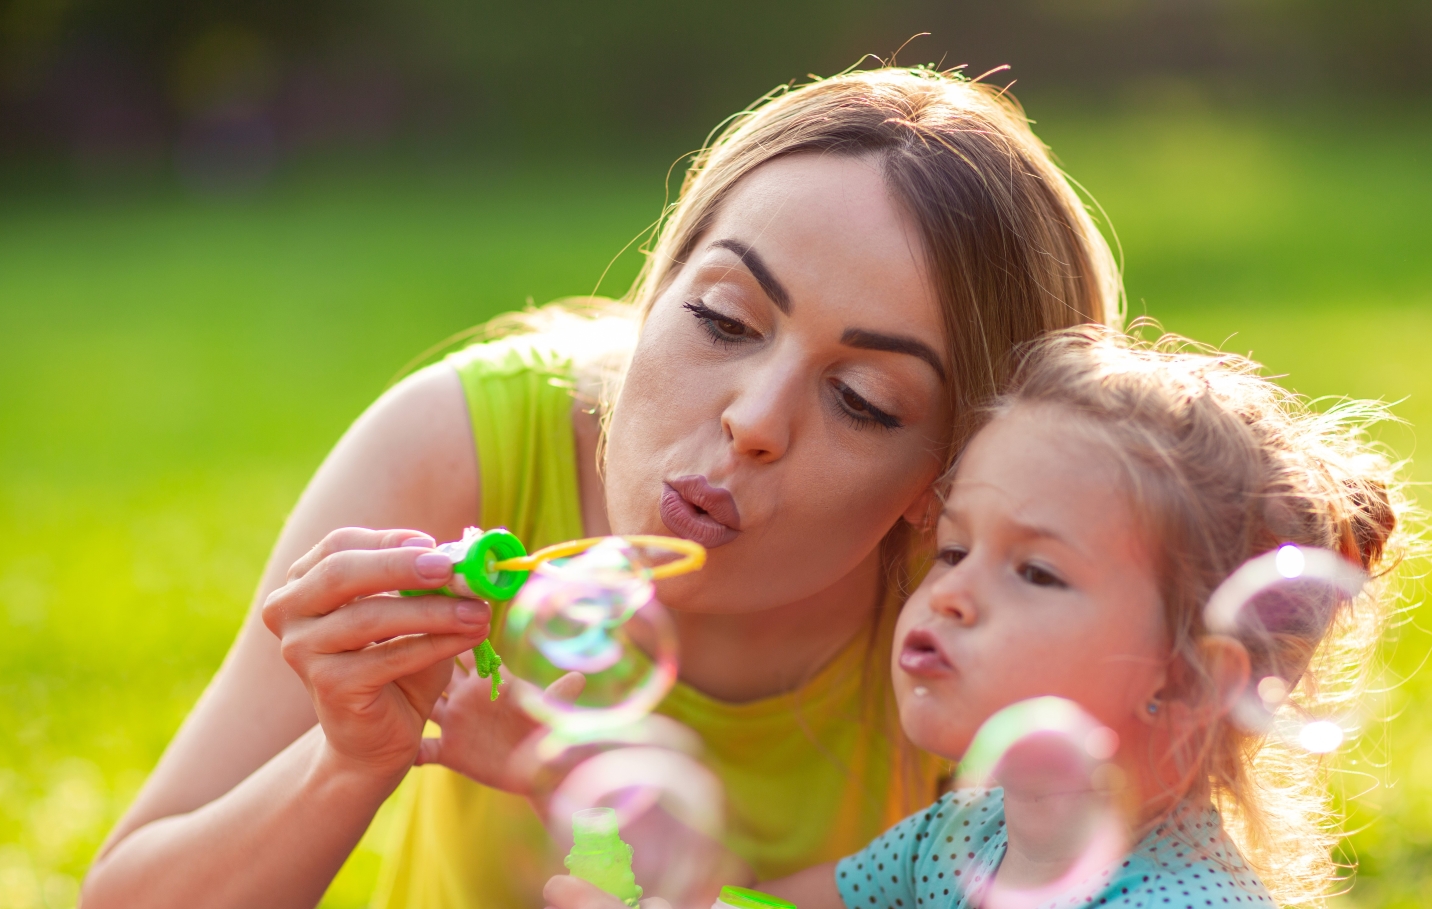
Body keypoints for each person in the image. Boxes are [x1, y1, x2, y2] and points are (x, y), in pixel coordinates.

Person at [80, 66, 1122, 909]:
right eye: (721, 318)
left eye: (862, 399)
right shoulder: (467, 446)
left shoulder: (984, 603)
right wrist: (345, 762)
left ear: (947, 481)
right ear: (657, 287)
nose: (754, 421)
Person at [544, 323, 1416, 909]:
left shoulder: (1179, 899)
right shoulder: (962, 835)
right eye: (955, 549)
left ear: (1190, 677)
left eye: (1035, 570)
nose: (950, 593)